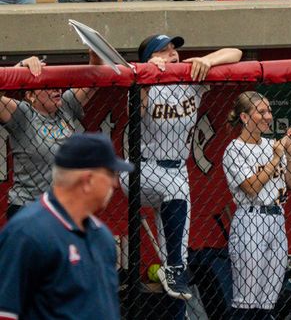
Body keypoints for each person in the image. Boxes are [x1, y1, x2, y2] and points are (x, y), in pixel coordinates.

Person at [123, 34, 241, 300]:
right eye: (163, 51)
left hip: (177, 170)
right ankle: (174, 266)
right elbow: (135, 114)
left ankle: (174, 271)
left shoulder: (191, 77)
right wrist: (145, 76)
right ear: (150, 57)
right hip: (141, 170)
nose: (172, 54)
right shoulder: (142, 80)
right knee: (175, 190)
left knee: (178, 263)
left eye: (173, 49)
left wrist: (206, 60)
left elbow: (235, 51)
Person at [0, 132, 133, 320]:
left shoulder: (102, 236)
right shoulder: (26, 233)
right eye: (110, 173)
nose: (114, 182)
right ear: (87, 181)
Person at [223, 92, 291, 319]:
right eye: (261, 111)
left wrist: (290, 153)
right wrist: (276, 158)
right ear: (245, 118)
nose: (268, 116)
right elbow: (251, 188)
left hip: (278, 218)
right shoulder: (234, 149)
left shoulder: (273, 145)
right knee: (246, 299)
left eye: (269, 111)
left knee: (268, 300)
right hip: (250, 218)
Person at [0, 53, 100, 220]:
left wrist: (95, 51)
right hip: (29, 208)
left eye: (57, 84)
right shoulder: (24, 114)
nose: (56, 89)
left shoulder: (66, 107)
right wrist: (20, 67)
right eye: (47, 85)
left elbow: (95, 75)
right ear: (30, 96)